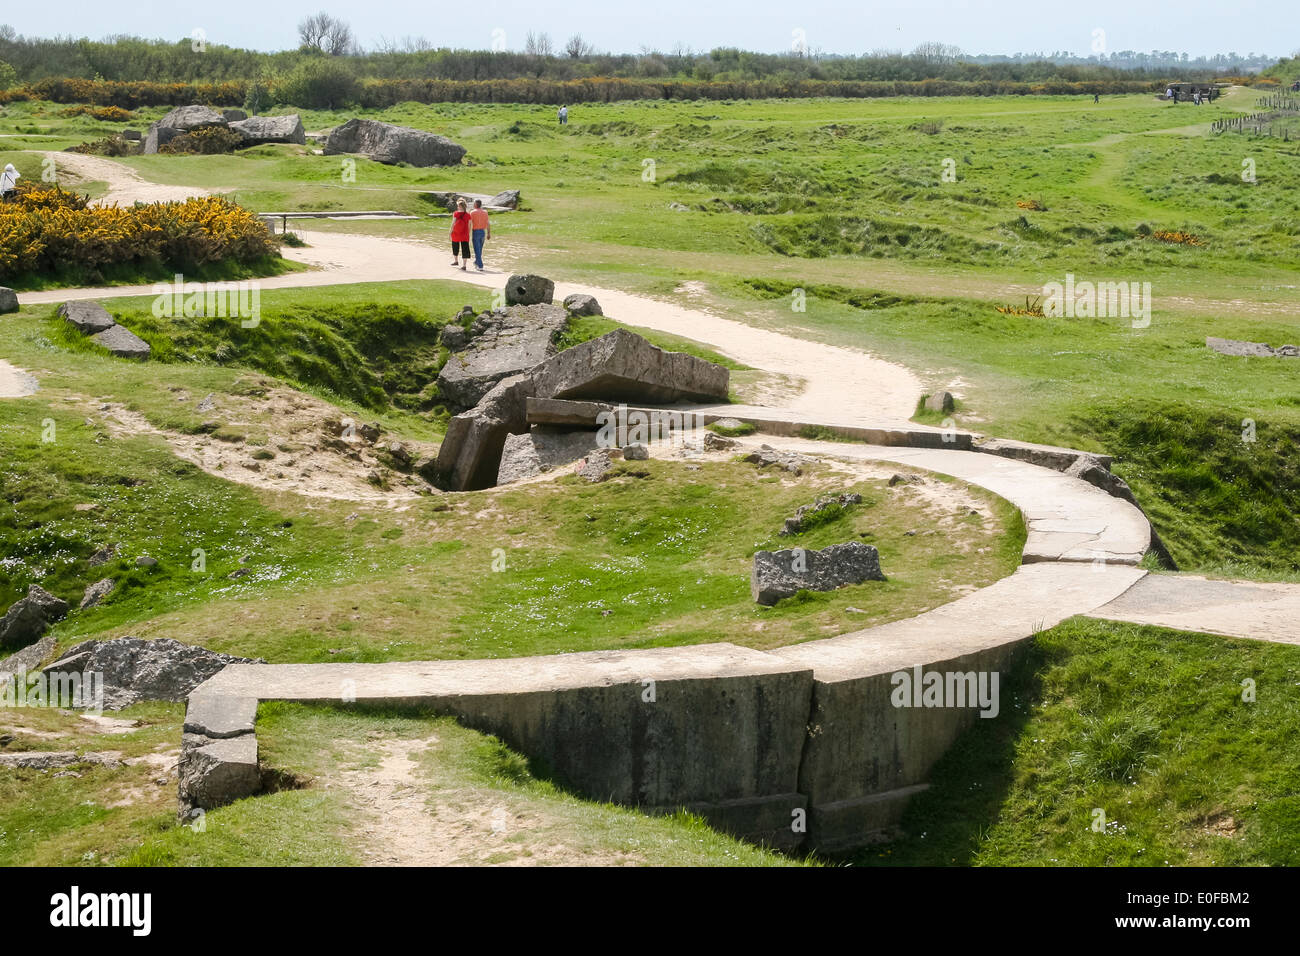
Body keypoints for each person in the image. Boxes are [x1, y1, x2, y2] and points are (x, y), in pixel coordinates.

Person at [449, 199, 471, 271]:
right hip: (464, 234)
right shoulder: (468, 215)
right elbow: (469, 225)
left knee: (455, 246)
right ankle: (464, 265)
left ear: (460, 206)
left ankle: (456, 261)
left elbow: (453, 223)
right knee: (465, 249)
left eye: (458, 206)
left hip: (456, 233)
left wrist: (450, 232)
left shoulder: (456, 213)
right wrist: (468, 233)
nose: (457, 207)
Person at [469, 199, 491, 271]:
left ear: (475, 204)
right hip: (482, 232)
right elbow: (488, 223)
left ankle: (480, 265)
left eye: (473, 203)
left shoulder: (472, 212)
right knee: (480, 249)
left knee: (477, 249)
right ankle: (476, 262)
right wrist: (488, 233)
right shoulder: (485, 212)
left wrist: (468, 233)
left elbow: (469, 224)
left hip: (476, 232)